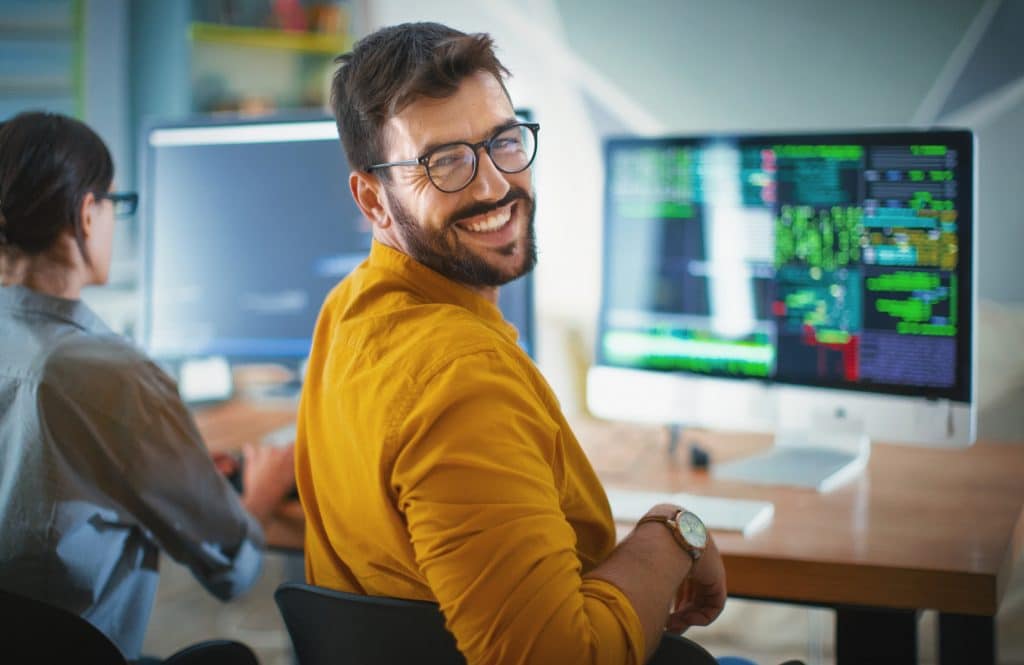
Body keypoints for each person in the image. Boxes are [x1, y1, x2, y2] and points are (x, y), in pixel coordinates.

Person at [295, 22, 727, 665]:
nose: (494, 186)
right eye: (443, 162)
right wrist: (672, 535)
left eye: (502, 141)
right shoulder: (463, 379)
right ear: (372, 199)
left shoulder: (351, 310)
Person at [0, 111, 296, 661]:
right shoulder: (112, 374)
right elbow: (229, 569)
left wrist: (172, 464)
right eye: (117, 204)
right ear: (88, 214)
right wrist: (259, 492)